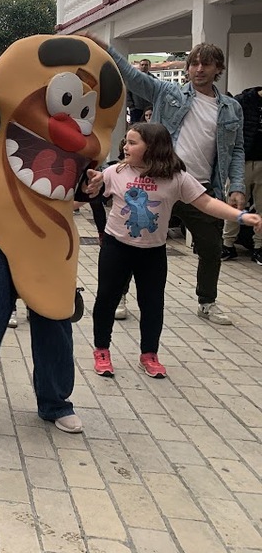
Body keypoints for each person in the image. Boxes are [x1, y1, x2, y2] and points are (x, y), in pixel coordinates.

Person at [0, 17, 124, 442]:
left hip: (51, 238)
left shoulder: (81, 135)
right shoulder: (6, 114)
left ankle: (56, 402)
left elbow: (79, 185)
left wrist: (91, 186)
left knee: (54, 316)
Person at [84, 123, 262, 378]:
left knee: (152, 304)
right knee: (106, 300)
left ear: (152, 147)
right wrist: (88, 187)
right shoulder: (116, 171)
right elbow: (88, 195)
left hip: (153, 253)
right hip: (116, 248)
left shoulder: (176, 178)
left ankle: (149, 354)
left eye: (132, 143)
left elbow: (207, 203)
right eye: (126, 141)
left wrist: (242, 217)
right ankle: (102, 349)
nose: (125, 147)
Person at [93, 38, 245, 326]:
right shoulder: (168, 92)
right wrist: (106, 49)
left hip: (199, 187)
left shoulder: (231, 108)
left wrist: (237, 185)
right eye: (194, 63)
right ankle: (120, 295)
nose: (199, 69)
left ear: (218, 68)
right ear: (187, 68)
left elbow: (236, 149)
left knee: (211, 247)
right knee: (131, 240)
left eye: (206, 64)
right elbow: (132, 76)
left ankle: (207, 301)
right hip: (158, 183)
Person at [222, 86, 262, 263]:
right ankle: (227, 244)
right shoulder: (243, 101)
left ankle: (259, 247)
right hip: (242, 161)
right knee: (234, 204)